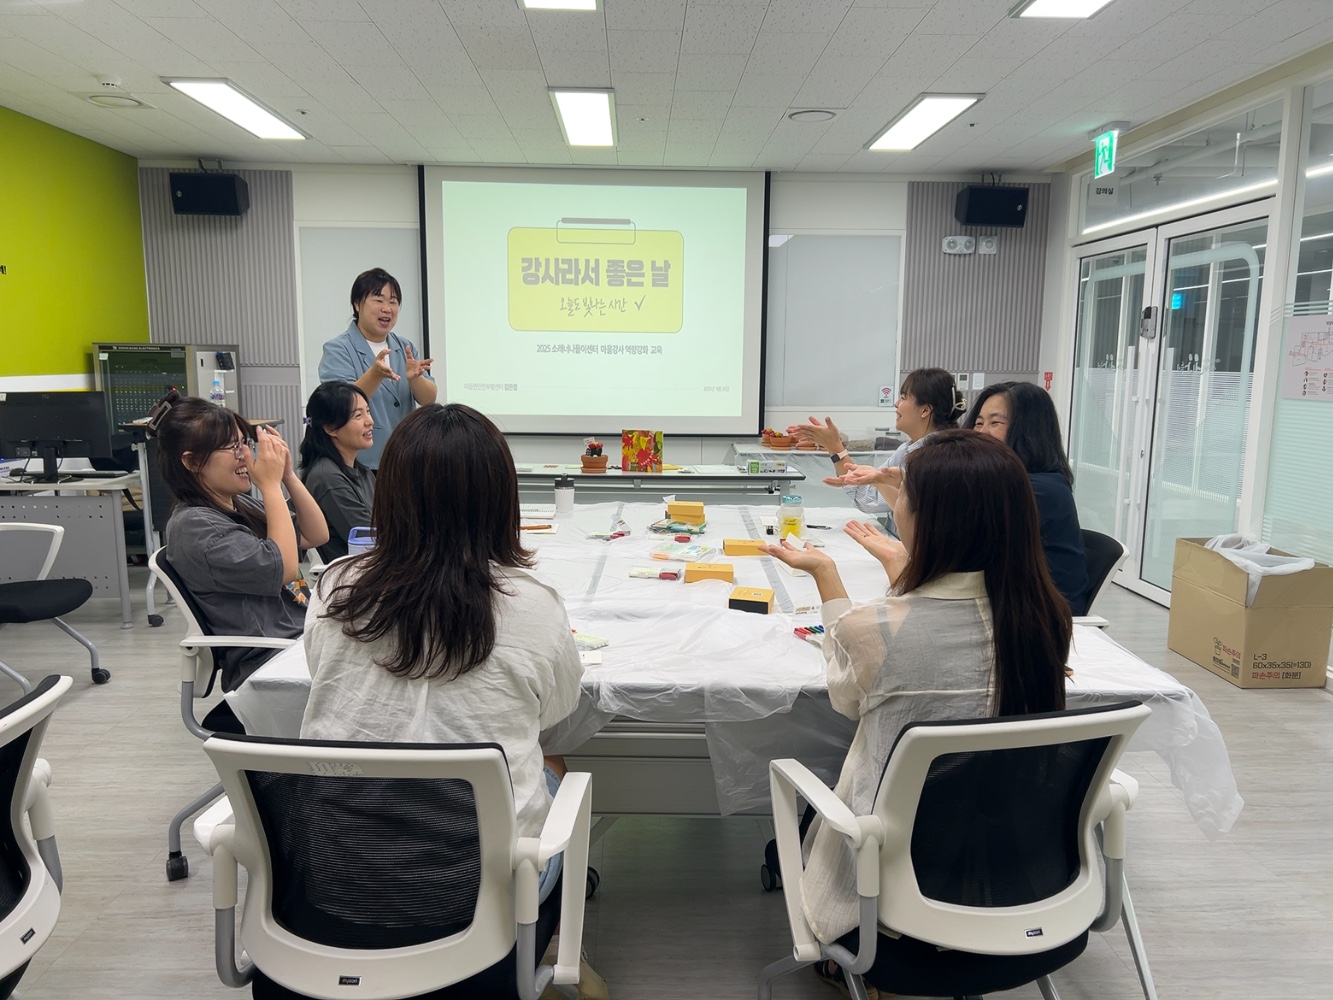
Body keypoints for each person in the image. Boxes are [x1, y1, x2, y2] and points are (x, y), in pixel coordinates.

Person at [763, 431, 1071, 988]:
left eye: (902, 492)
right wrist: (904, 572)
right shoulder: (1044, 615)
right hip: (1021, 877)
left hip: (888, 889)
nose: (895, 503)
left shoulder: (874, 627)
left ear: (933, 521)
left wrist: (826, 576)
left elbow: (846, 698)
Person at [300, 403, 584, 905]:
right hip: (478, 892)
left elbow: (321, 671)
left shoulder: (335, 586)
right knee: (551, 762)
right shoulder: (533, 604)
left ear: (389, 494)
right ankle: (551, 931)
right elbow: (556, 711)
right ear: (501, 498)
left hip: (340, 873)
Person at [153, 391, 329, 711]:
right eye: (232, 447)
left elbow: (315, 534)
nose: (245, 455)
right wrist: (270, 486)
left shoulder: (238, 503)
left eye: (244, 443)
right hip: (269, 661)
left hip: (301, 638)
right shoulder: (195, 526)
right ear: (192, 462)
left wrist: (287, 476)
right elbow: (286, 569)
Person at [788, 368, 966, 536]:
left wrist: (875, 478)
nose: (896, 404)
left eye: (903, 397)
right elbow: (868, 496)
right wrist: (835, 448)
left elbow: (908, 512)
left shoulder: (941, 458)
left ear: (925, 410)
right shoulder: (907, 450)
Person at [966, 381, 1090, 614]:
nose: (981, 433)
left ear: (1029, 431)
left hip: (1039, 615)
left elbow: (963, 546)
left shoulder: (1039, 489)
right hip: (1007, 601)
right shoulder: (1007, 481)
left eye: (995, 423)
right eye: (979, 423)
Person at [318, 267, 436, 470]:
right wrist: (374, 375)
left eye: (393, 301)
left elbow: (429, 399)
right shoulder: (338, 348)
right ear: (357, 304)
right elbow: (338, 405)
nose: (387, 308)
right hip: (361, 461)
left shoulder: (404, 347)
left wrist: (415, 379)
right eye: (378, 300)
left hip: (405, 456)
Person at [298, 381, 376, 563]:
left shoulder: (361, 471)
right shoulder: (327, 478)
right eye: (358, 416)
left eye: (368, 411)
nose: (370, 421)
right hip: (358, 572)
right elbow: (370, 541)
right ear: (331, 428)